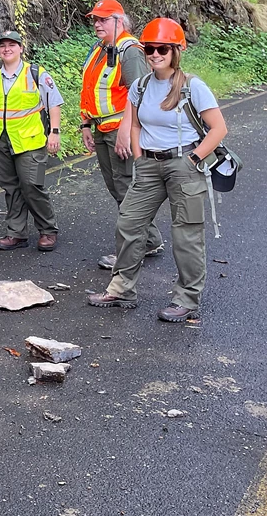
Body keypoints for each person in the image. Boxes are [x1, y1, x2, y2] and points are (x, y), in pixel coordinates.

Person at [87, 18, 228, 322]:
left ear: (177, 50)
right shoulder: (141, 85)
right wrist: (139, 158)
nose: (154, 54)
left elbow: (218, 128)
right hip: (149, 165)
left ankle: (187, 300)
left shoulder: (193, 86)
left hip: (183, 164)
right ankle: (122, 288)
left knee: (186, 235)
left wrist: (193, 159)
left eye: (162, 48)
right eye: (149, 48)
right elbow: (135, 124)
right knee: (128, 223)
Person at [79, 0, 165, 269]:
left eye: (103, 19)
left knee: (127, 188)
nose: (97, 24)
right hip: (102, 129)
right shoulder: (101, 48)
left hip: (119, 131)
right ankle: (149, 240)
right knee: (119, 188)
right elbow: (92, 90)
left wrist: (128, 132)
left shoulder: (129, 51)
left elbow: (140, 94)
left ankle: (132, 249)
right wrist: (85, 125)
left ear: (119, 21)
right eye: (95, 19)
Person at [0, 30, 63, 251]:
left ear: (21, 48)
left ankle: (48, 230)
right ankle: (16, 233)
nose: (7, 49)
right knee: (11, 187)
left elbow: (54, 103)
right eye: (2, 45)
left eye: (12, 44)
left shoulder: (36, 73)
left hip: (31, 142)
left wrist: (54, 132)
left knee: (33, 185)